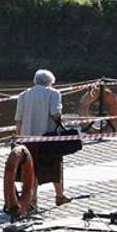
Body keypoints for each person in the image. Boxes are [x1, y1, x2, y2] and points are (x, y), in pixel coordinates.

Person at [15, 68, 70, 207]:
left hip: (27, 138)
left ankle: (32, 199)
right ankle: (59, 195)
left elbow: (18, 119)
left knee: (29, 169)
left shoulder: (23, 95)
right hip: (47, 138)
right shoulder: (54, 93)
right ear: (50, 82)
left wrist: (18, 137)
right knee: (55, 166)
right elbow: (55, 113)